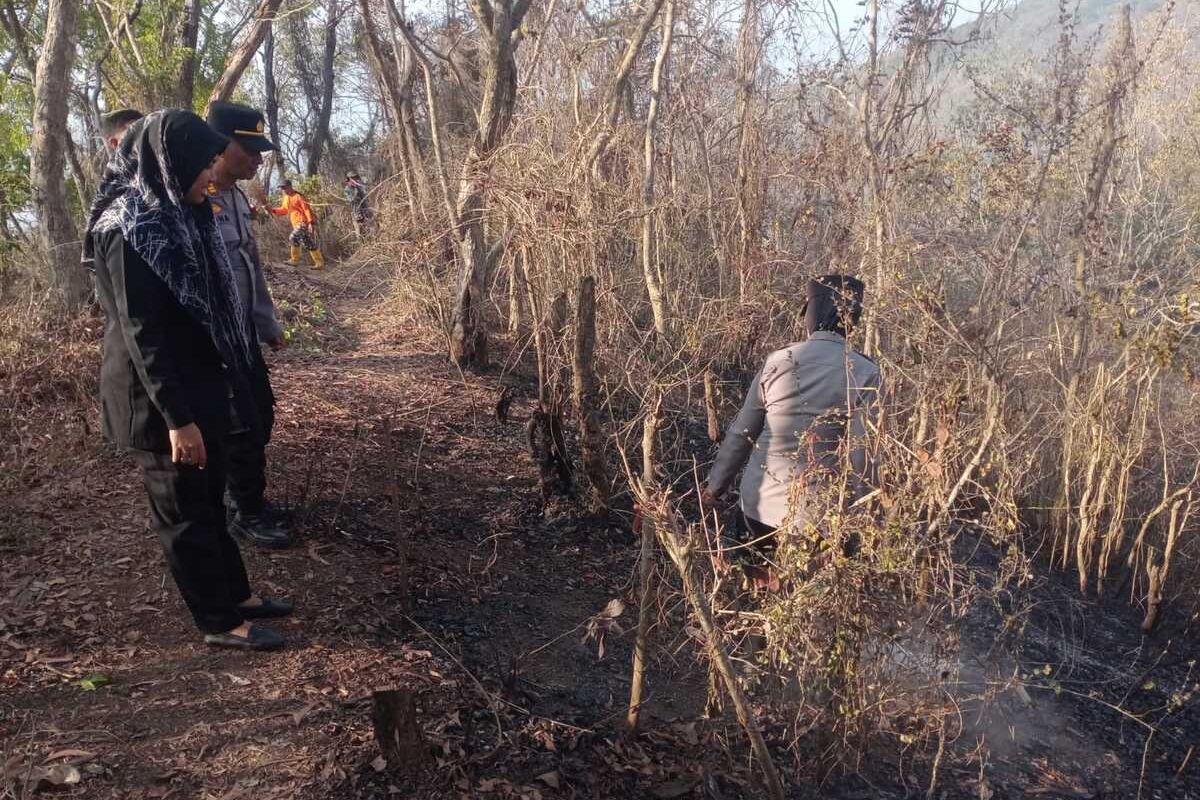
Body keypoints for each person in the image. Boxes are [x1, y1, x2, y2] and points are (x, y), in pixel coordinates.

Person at [86, 109, 292, 651]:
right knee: (184, 513)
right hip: (156, 399)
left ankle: (237, 596)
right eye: (204, 165)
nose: (212, 175)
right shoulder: (127, 226)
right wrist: (179, 420)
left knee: (210, 502)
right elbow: (141, 332)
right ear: (170, 164)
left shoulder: (184, 212)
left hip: (203, 381)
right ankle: (217, 620)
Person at [704, 274, 881, 563]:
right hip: (818, 524)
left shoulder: (778, 361)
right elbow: (863, 456)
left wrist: (714, 489)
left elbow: (741, 434)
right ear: (852, 319)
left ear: (810, 313)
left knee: (752, 593)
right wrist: (865, 519)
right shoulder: (865, 372)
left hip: (756, 511)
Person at [205, 101, 292, 549]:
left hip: (243, 335)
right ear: (222, 146)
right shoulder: (192, 198)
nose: (259, 159)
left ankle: (250, 500)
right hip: (211, 341)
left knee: (260, 414)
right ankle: (244, 511)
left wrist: (265, 321)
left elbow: (249, 265)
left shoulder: (237, 197)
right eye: (250, 149)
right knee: (237, 424)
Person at [271, 179, 324, 269]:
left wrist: (310, 222)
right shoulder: (286, 198)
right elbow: (284, 210)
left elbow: (306, 209)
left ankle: (294, 260)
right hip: (295, 224)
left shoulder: (298, 196)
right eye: (281, 188)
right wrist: (272, 210)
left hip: (303, 222)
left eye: (284, 187)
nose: (283, 190)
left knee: (293, 237)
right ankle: (319, 263)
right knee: (308, 242)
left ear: (290, 187)